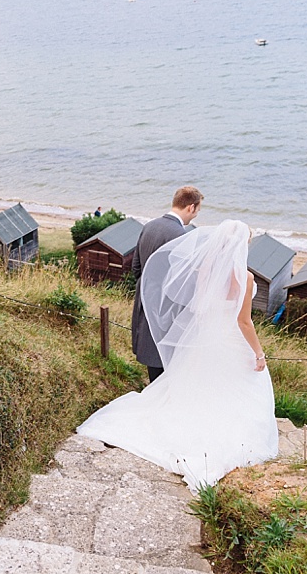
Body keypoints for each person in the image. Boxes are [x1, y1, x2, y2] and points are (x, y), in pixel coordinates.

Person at [77, 220, 277, 491]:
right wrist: (259, 353)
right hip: (230, 339)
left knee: (196, 386)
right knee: (238, 388)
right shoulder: (246, 277)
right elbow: (244, 322)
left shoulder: (205, 269)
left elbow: (199, 307)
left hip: (205, 337)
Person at [131, 185, 203, 382]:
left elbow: (136, 268)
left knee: (152, 363)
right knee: (167, 368)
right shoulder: (181, 236)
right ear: (191, 207)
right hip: (167, 310)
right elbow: (183, 282)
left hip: (145, 300)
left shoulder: (149, 226)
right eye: (197, 211)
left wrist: (149, 289)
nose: (195, 216)